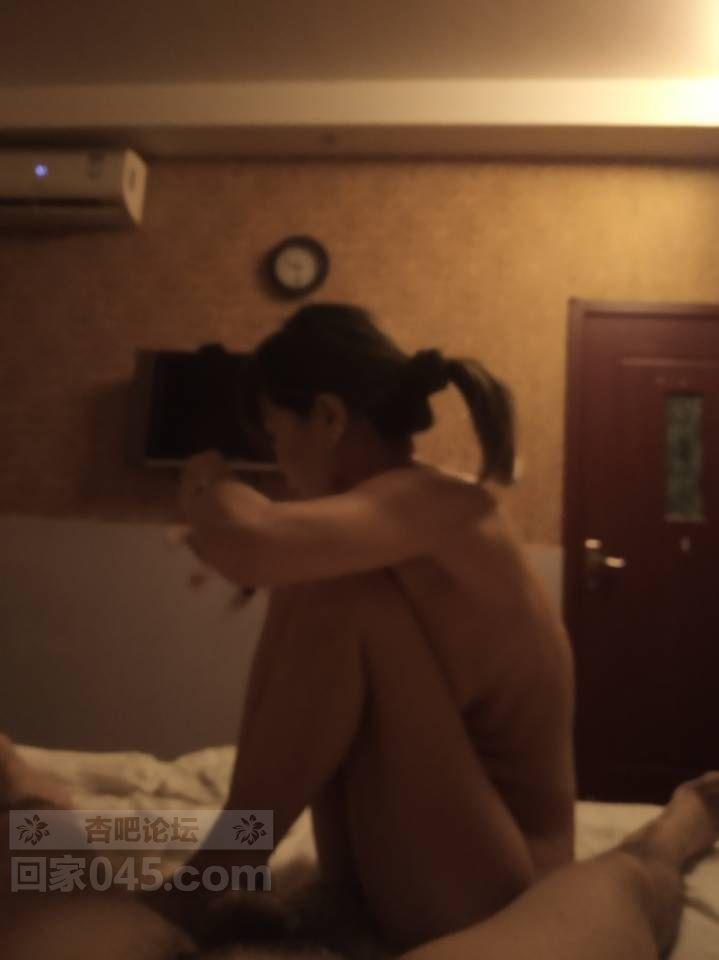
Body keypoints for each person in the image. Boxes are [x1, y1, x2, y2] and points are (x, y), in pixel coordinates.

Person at [166, 302, 576, 950]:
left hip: (507, 884)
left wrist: (209, 481)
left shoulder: (440, 504)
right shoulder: (389, 521)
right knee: (314, 576)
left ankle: (218, 869)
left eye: (276, 434)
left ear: (328, 418)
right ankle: (243, 860)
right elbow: (261, 557)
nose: (278, 459)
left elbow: (248, 540)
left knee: (340, 593)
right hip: (431, 866)